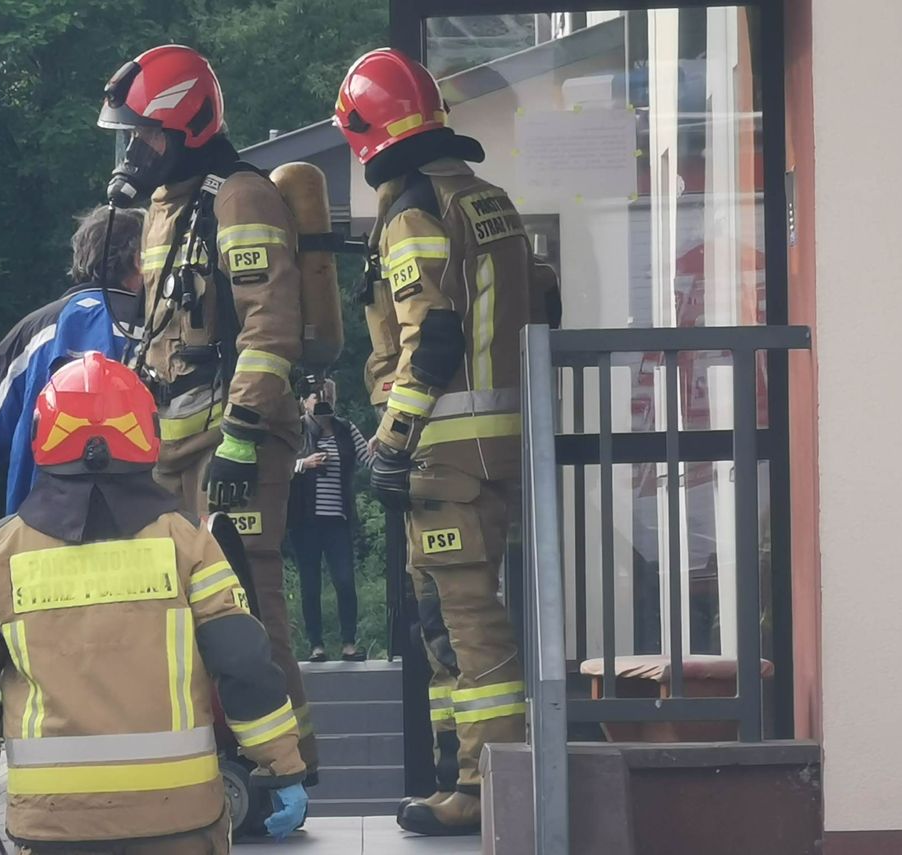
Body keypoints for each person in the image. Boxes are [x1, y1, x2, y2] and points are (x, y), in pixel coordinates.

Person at [0, 353, 309, 853]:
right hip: (179, 817)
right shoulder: (188, 541)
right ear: (146, 432)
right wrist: (281, 765)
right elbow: (243, 661)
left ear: (43, 435)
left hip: (53, 825)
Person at [333, 48, 560, 836]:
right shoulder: (489, 199)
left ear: (366, 136)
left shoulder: (412, 213)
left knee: (465, 617)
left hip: (442, 451)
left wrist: (392, 439)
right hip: (500, 446)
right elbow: (544, 304)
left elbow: (429, 335)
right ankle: (452, 769)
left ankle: (485, 786)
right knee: (442, 614)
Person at [97, 45, 318, 773]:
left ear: (187, 125)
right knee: (174, 603)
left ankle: (288, 759)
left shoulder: (240, 197)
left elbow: (270, 326)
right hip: (172, 440)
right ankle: (210, 753)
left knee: (249, 597)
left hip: (234, 436)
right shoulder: (166, 207)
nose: (136, 149)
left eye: (147, 133)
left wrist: (244, 435)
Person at [0, 205, 145, 514]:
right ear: (139, 261)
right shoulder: (163, 329)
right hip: (145, 532)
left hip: (40, 534)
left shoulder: (36, 332)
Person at [287, 380, 372, 662]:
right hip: (304, 521)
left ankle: (349, 643)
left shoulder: (345, 429)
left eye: (328, 397)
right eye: (316, 397)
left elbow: (368, 459)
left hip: (338, 519)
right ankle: (316, 645)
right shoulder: (295, 430)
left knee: (345, 581)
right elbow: (277, 466)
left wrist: (385, 445)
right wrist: (304, 464)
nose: (322, 402)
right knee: (310, 584)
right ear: (304, 402)